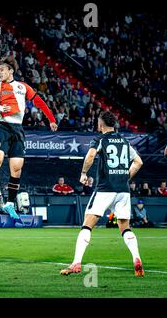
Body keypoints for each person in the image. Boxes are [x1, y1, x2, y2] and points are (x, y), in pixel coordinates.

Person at [60, 111, 145, 277]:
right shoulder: (124, 141)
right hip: (123, 190)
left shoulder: (100, 139)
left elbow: (91, 155)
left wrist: (84, 173)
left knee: (87, 224)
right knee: (125, 228)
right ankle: (137, 258)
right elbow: (139, 162)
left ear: (100, 124)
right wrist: (125, 176)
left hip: (105, 189)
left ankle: (76, 263)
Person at [0, 57, 57, 218]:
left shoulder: (22, 87)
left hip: (18, 130)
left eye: (2, 70)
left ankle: (10, 204)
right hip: (2, 126)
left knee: (16, 169)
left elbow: (39, 102)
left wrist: (51, 119)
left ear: (10, 70)